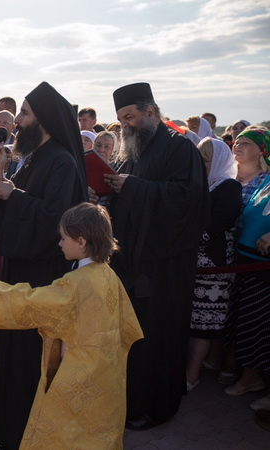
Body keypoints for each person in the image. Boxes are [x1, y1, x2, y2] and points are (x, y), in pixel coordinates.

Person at [0, 202, 143, 449]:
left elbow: (32, 302)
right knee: (98, 432)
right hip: (108, 374)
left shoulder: (74, 283)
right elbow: (127, 325)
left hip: (77, 375)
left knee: (63, 434)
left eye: (64, 238)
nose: (60, 243)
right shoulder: (109, 274)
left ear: (81, 242)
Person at [0, 81, 87, 449]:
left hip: (43, 275)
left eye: (25, 114)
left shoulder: (63, 161)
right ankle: (11, 422)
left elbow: (55, 218)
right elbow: (13, 208)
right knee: (14, 353)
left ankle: (28, 430)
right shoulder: (32, 157)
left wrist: (13, 194)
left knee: (32, 357)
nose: (18, 122)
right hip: (19, 270)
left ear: (43, 120)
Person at [104, 82, 209, 430]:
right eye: (120, 119)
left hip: (164, 267)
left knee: (156, 337)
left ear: (150, 112)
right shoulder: (133, 150)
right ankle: (128, 400)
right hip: (131, 262)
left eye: (130, 117)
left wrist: (131, 187)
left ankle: (155, 407)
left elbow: (188, 200)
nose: (124, 126)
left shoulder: (180, 149)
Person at [185, 137, 241, 391]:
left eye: (206, 159)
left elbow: (217, 225)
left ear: (218, 160)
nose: (202, 164)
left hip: (213, 267)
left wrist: (183, 239)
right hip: (193, 263)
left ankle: (192, 376)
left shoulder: (228, 186)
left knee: (202, 325)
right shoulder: (201, 185)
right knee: (192, 322)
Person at [224, 128, 270, 405]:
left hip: (260, 267)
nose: (237, 145)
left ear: (262, 150)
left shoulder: (266, 179)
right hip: (243, 258)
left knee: (256, 322)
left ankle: (251, 378)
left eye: (246, 142)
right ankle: (243, 374)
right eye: (236, 141)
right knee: (242, 320)